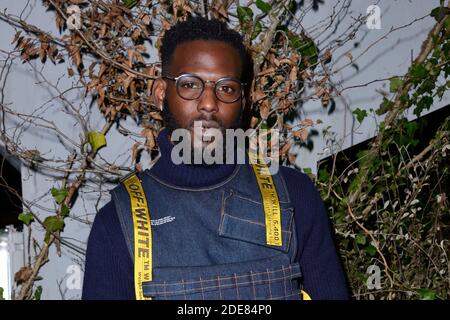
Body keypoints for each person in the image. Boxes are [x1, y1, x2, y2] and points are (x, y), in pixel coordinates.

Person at [82, 15, 349, 300]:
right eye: (190, 84)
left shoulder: (295, 197)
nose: (209, 103)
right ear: (161, 94)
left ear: (243, 102)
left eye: (226, 88)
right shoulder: (118, 225)